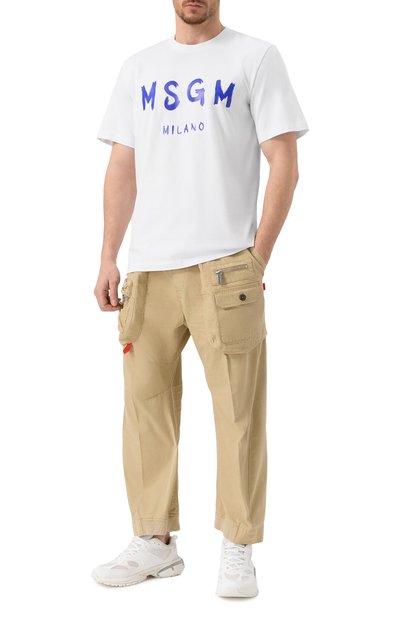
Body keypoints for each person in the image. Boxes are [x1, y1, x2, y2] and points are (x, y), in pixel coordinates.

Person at [92, 0, 309, 598]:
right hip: (149, 269)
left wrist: (257, 256)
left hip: (225, 267)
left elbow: (284, 161)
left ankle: (238, 545)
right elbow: (122, 168)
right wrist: (109, 255)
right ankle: (154, 540)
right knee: (144, 410)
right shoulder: (138, 67)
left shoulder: (255, 57)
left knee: (238, 412)